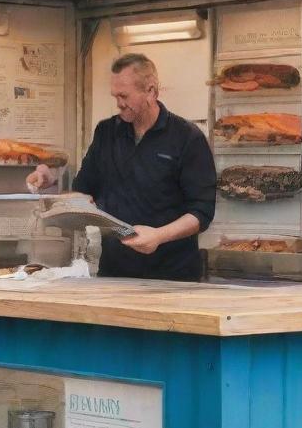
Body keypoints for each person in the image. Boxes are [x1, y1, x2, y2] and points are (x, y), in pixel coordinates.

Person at [26, 53, 216, 280]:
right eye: (115, 96)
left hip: (173, 276)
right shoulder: (106, 132)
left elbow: (201, 212)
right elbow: (85, 191)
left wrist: (158, 236)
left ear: (151, 91)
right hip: (115, 272)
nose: (119, 104)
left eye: (124, 96)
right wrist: (51, 183)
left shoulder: (187, 137)